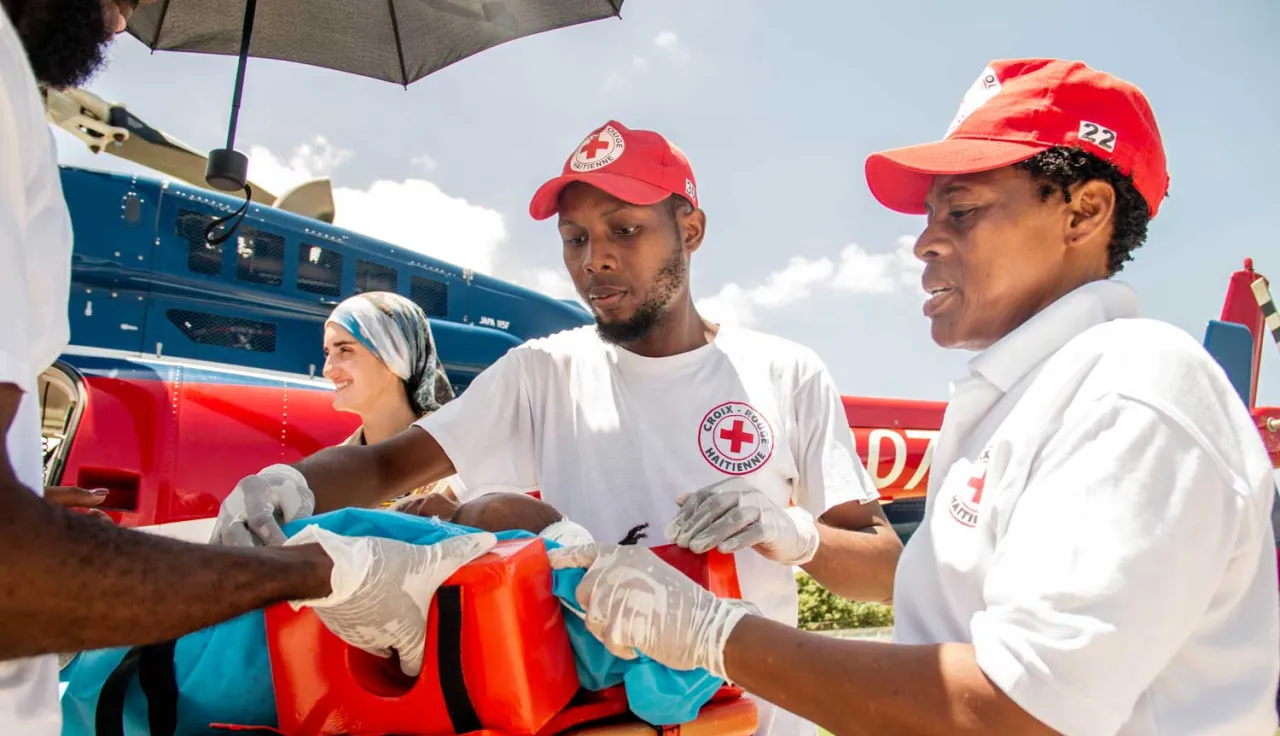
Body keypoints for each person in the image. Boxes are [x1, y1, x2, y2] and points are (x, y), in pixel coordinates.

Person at [547, 59, 1280, 735]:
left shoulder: (1132, 391)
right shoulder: (1022, 399)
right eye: (929, 217)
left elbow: (1014, 712)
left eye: (960, 212)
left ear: (1083, 214)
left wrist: (714, 635)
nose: (923, 243)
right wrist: (798, 538)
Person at [212, 119, 902, 736]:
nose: (593, 259)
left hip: (755, 723)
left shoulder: (785, 371)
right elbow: (387, 466)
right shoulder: (543, 371)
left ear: (689, 230)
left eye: (623, 230)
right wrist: (284, 487)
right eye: (575, 239)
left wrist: (796, 534)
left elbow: (885, 572)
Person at [0, 3, 494, 733]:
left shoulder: (447, 457)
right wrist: (313, 574)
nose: (120, 20)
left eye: (346, 350)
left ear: (395, 361)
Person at [321, 291, 463, 507]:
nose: (328, 369)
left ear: (394, 356)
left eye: (345, 350)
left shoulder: (460, 465)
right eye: (327, 353)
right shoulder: (331, 471)